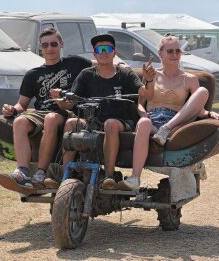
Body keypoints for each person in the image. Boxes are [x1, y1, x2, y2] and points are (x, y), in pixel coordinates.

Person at [117, 34, 219, 191]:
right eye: (170, 51)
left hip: (176, 124)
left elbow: (198, 108)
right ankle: (135, 178)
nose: (175, 55)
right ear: (160, 53)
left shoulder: (189, 79)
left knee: (203, 91)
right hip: (153, 123)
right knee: (143, 123)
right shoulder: (151, 75)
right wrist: (143, 114)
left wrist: (210, 114)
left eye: (178, 51)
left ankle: (168, 130)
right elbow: (140, 104)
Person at [56, 34, 154, 190]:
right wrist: (60, 100)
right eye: (99, 49)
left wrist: (149, 80)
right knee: (70, 123)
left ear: (114, 52)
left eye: (107, 49)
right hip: (92, 121)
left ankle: (109, 177)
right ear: (94, 54)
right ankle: (65, 176)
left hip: (121, 122)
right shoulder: (86, 74)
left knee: (111, 124)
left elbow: (147, 95)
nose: (103, 52)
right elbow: (69, 104)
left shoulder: (125, 74)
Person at [0, 27, 92, 190]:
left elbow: (101, 64)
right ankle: (22, 172)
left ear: (61, 44)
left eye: (54, 44)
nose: (49, 48)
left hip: (66, 110)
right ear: (40, 47)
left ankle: (41, 172)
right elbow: (22, 104)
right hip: (41, 111)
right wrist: (11, 109)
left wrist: (122, 66)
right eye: (45, 45)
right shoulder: (33, 74)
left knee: (51, 118)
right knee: (19, 122)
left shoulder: (75, 63)